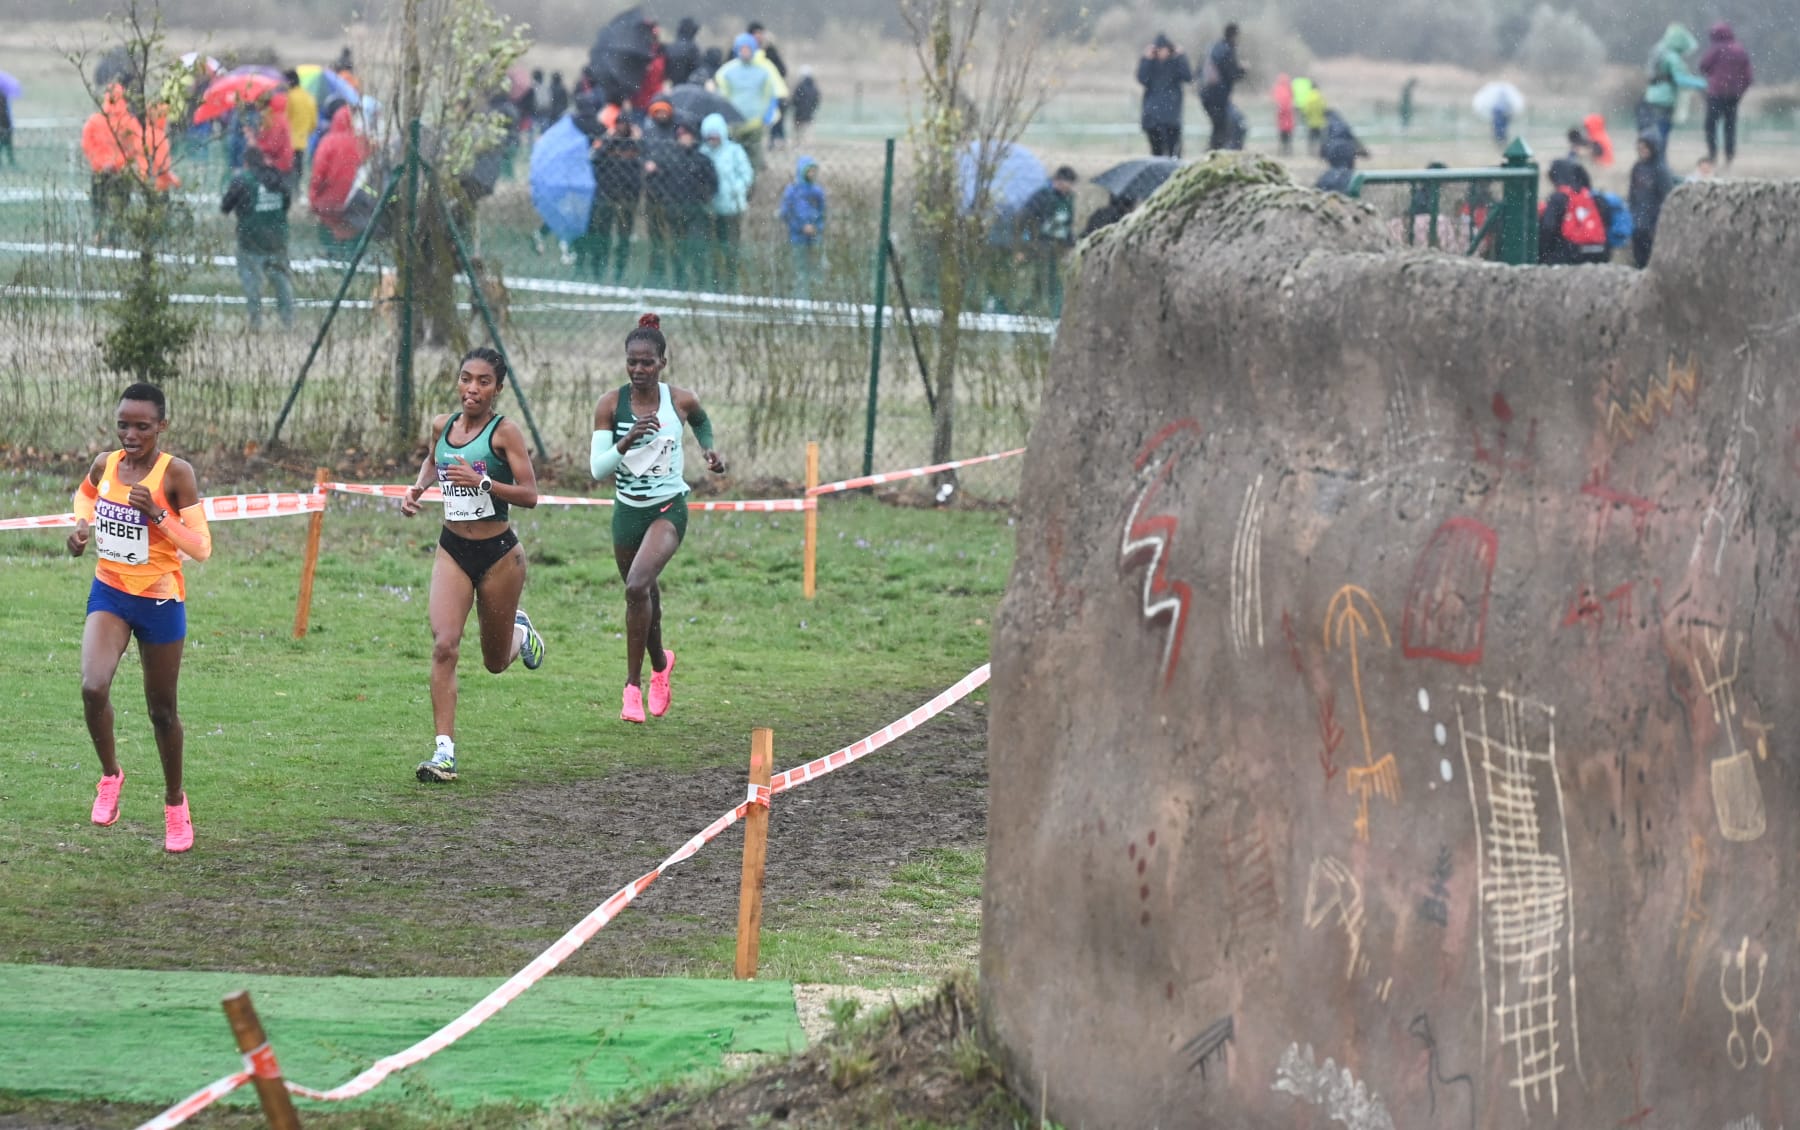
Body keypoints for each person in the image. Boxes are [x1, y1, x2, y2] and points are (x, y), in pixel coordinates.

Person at [68, 382, 213, 852]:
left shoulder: (177, 474)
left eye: (142, 426)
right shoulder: (106, 464)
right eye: (123, 425)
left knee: (162, 710)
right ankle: (110, 776)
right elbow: (85, 497)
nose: (131, 434)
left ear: (162, 426)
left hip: (160, 601)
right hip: (110, 591)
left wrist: (157, 516)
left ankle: (175, 803)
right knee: (93, 686)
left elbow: (201, 548)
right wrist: (82, 526)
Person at [398, 349, 545, 783]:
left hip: (499, 554)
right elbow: (433, 460)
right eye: (466, 379)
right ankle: (444, 753)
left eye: (483, 382)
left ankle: (521, 631)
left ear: (497, 389)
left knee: (495, 662)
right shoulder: (442, 426)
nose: (472, 389)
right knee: (444, 644)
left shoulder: (505, 433)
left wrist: (482, 481)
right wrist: (419, 488)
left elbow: (530, 494)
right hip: (452, 550)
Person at [588, 314, 727, 723]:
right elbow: (597, 469)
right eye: (632, 361)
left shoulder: (679, 400)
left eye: (647, 362)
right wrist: (627, 439)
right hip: (626, 512)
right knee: (644, 597)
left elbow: (700, 420)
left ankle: (632, 686)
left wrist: (709, 450)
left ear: (662, 363)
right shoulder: (610, 405)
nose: (638, 369)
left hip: (668, 509)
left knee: (636, 586)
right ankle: (661, 664)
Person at [220, 146, 294, 329]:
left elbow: (225, 207)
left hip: (250, 242)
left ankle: (255, 323)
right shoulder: (278, 179)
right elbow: (287, 203)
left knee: (252, 282)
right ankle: (288, 322)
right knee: (281, 282)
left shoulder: (242, 181)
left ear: (246, 163)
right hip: (277, 241)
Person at [643, 116, 717, 289]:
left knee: (697, 249)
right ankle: (680, 284)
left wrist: (703, 197)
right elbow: (656, 183)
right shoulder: (668, 158)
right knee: (677, 250)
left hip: (696, 212)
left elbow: (713, 184)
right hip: (673, 211)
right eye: (680, 135)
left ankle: (700, 284)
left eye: (686, 134)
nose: (683, 138)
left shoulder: (702, 160)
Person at [585, 107, 643, 283]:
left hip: (627, 199)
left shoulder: (635, 147)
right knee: (603, 235)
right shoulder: (607, 143)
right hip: (606, 196)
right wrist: (609, 139)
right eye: (619, 124)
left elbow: (641, 168)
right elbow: (594, 159)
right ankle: (598, 271)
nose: (621, 128)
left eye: (625, 125)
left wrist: (636, 141)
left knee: (623, 239)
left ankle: (619, 273)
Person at [1015, 165, 1078, 315]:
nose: (1068, 187)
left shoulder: (1068, 200)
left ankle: (1047, 313)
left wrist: (1069, 245)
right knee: (1043, 283)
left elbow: (1066, 226)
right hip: (1039, 247)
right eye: (1066, 183)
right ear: (1058, 181)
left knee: (1050, 284)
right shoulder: (1042, 196)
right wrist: (1022, 247)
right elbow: (1024, 219)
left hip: (1057, 248)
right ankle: (1032, 313)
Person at [700, 112, 753, 290]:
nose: (713, 139)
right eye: (709, 135)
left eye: (715, 135)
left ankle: (730, 282)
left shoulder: (735, 151)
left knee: (730, 246)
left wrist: (735, 190)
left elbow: (746, 175)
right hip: (710, 209)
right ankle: (714, 281)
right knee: (713, 246)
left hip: (732, 208)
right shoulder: (703, 152)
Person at [1638, 23, 1707, 151]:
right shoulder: (1672, 57)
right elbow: (1680, 80)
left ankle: (1654, 162)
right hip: (1664, 100)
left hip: (1651, 97)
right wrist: (1703, 83)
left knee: (1651, 134)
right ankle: (1659, 164)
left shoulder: (1659, 51)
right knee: (1661, 133)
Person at [715, 33, 779, 172]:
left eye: (748, 48)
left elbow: (770, 95)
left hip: (755, 124)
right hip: (734, 125)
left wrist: (767, 116)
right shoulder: (727, 72)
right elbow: (722, 96)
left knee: (754, 160)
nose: (745, 52)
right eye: (742, 48)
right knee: (733, 159)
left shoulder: (763, 72)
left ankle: (752, 187)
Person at [1698, 22, 1752, 168]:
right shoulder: (1740, 49)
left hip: (1716, 93)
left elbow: (1703, 66)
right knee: (1730, 125)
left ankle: (1712, 155)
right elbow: (1748, 76)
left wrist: (1712, 77)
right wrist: (1740, 91)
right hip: (1733, 95)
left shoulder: (1716, 49)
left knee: (1710, 124)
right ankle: (1729, 155)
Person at [308, 105, 363, 246]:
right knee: (351, 245)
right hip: (354, 204)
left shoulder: (328, 142)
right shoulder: (360, 143)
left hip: (328, 202)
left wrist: (313, 197)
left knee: (329, 244)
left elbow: (318, 174)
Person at [1538, 158, 1607, 266]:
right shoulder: (1594, 196)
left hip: (1569, 254)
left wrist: (1542, 254)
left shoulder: (1558, 198)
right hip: (1599, 251)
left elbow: (1548, 228)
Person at [1137, 34, 1191, 157]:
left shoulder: (1176, 63)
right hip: (1153, 118)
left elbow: (1188, 76)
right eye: (1159, 49)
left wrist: (1182, 57)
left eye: (1164, 49)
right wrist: (1146, 59)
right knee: (1157, 153)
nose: (1162, 52)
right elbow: (1141, 78)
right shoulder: (1151, 64)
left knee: (1174, 153)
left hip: (1171, 117)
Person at [779, 155, 826, 298]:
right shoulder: (792, 191)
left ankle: (816, 296)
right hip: (797, 237)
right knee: (799, 268)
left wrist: (817, 227)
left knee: (816, 267)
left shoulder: (817, 192)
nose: (812, 174)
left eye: (814, 171)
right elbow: (786, 213)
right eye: (809, 171)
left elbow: (823, 213)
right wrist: (801, 227)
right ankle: (800, 297)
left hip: (815, 236)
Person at [1627, 133, 1674, 268]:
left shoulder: (1660, 170)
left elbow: (1666, 196)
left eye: (1645, 148)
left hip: (1653, 221)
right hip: (1638, 220)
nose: (1642, 152)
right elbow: (1632, 193)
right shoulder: (1638, 167)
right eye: (1640, 149)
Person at [1198, 23, 1247, 152]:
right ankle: (1214, 155)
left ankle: (1212, 153)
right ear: (1234, 35)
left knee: (1218, 127)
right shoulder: (1227, 50)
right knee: (1222, 128)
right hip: (1218, 96)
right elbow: (1231, 74)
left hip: (1207, 94)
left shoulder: (1214, 48)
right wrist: (1242, 70)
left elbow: (1199, 71)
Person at [748, 21, 790, 148]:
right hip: (751, 94)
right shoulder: (743, 51)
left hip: (771, 92)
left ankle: (775, 140)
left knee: (776, 117)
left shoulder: (769, 51)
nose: (759, 36)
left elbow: (782, 70)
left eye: (761, 33)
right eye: (756, 33)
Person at [282, 70, 317, 190]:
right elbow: (313, 122)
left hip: (287, 142)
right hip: (302, 141)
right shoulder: (308, 97)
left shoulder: (288, 97)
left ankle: (289, 194)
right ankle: (297, 192)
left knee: (287, 171)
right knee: (299, 169)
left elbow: (285, 118)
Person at [665, 18, 703, 87]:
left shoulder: (670, 47)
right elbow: (697, 69)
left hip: (670, 87)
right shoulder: (693, 48)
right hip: (687, 87)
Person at [791, 67, 820, 145]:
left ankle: (798, 146)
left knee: (798, 135)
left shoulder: (799, 87)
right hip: (809, 114)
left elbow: (794, 100)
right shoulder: (814, 87)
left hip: (799, 114)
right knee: (808, 135)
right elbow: (817, 101)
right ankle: (807, 147)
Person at [1271, 73, 1294, 155]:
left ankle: (1282, 151)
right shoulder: (1289, 89)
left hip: (1281, 118)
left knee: (1282, 137)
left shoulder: (1277, 89)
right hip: (1288, 118)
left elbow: (1275, 103)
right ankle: (1287, 151)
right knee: (1288, 137)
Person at [0, 87, 14, 168]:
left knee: (7, 144)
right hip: (5, 124)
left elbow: (7, 111)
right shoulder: (4, 95)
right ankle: (11, 161)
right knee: (6, 144)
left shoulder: (3, 96)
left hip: (6, 124)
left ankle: (11, 161)